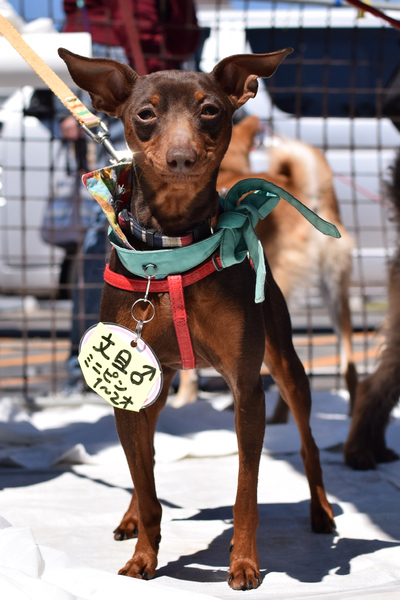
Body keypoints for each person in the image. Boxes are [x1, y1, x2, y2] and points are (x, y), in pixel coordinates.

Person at [62, 0, 200, 393]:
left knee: (182, 228)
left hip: (169, 56)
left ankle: (172, 358)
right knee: (106, 227)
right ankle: (90, 362)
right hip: (110, 46)